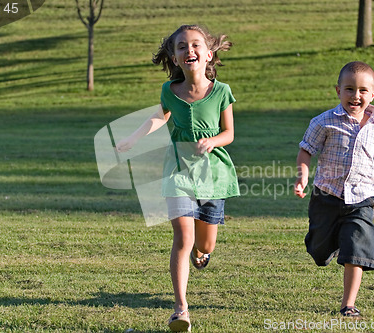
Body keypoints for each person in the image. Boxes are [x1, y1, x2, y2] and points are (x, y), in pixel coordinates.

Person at [116, 25, 239, 332]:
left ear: (208, 54)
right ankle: (180, 308)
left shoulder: (221, 92)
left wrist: (212, 141)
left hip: (213, 173)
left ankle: (202, 253)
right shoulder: (169, 91)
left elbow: (229, 133)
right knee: (183, 239)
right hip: (178, 171)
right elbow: (159, 117)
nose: (189, 50)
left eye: (195, 45)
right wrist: (133, 138)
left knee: (204, 243)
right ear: (174, 56)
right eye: (181, 46)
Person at [294, 61, 374, 317]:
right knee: (319, 249)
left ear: (373, 94)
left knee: (357, 250)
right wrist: (302, 177)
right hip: (326, 196)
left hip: (362, 199)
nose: (356, 96)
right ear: (338, 90)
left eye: (363, 90)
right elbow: (306, 150)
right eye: (349, 89)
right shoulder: (324, 121)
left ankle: (348, 304)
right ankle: (329, 245)